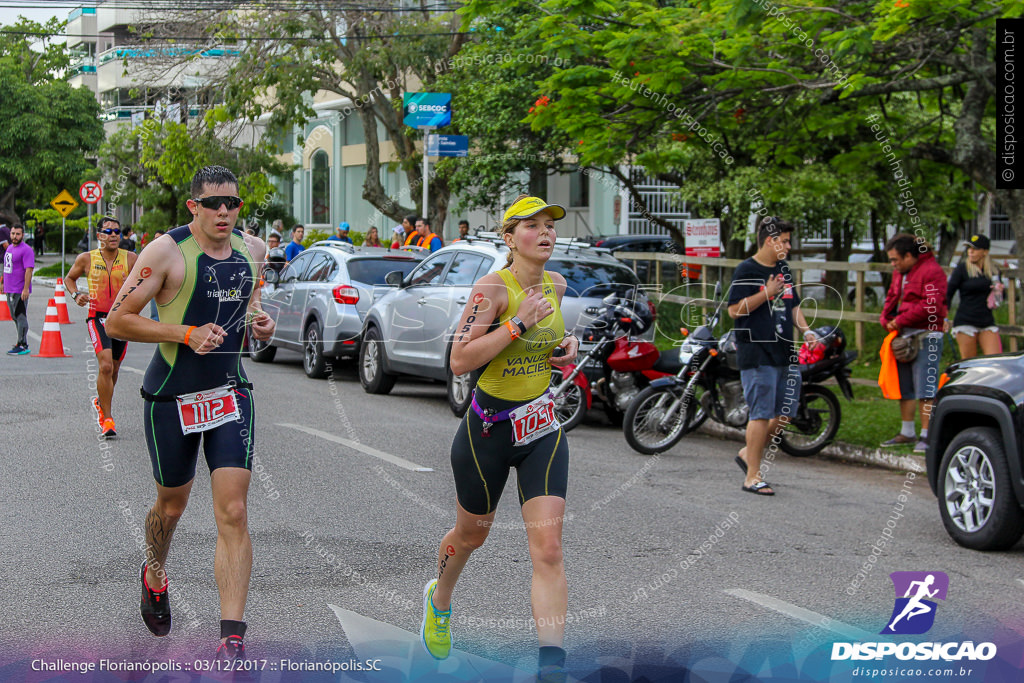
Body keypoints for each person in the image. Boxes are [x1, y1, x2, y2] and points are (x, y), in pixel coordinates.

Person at [105, 165, 275, 664]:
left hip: (229, 393)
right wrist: (185, 334)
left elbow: (251, 305)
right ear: (193, 207)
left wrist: (260, 322)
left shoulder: (254, 250)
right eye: (215, 203)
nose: (225, 211)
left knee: (234, 509)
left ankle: (232, 638)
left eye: (234, 203)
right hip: (171, 395)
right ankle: (155, 571)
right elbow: (118, 319)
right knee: (172, 505)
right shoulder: (165, 253)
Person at [420, 195, 579, 683]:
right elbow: (460, 360)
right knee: (472, 535)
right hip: (487, 431)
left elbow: (547, 340)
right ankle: (439, 599)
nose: (546, 232)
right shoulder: (492, 288)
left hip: (541, 428)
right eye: (532, 226)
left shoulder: (556, 283)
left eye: (550, 224)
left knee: (548, 548)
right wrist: (517, 323)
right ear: (510, 239)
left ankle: (551, 664)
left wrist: (564, 344)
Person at [726, 217, 817, 496]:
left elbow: (794, 306)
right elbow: (734, 311)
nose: (789, 246)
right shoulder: (747, 269)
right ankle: (752, 476)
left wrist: (807, 330)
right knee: (761, 414)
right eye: (785, 241)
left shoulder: (783, 269)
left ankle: (746, 452)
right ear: (770, 240)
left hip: (784, 351)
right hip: (757, 351)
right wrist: (766, 293)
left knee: (785, 412)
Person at [64, 217, 138, 437]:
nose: (114, 235)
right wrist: (76, 294)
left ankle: (102, 402)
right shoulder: (86, 258)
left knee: (114, 369)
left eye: (117, 231)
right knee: (105, 366)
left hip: (122, 319)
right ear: (99, 236)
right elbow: (70, 278)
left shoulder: (131, 258)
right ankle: (107, 418)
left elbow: (146, 282)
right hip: (97, 317)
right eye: (108, 231)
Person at [879, 233, 947, 453]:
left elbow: (932, 306)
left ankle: (928, 435)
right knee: (905, 386)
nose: (893, 264)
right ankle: (907, 431)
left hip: (927, 335)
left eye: (895, 259)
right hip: (905, 335)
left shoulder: (932, 272)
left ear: (909, 255)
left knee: (926, 387)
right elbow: (891, 296)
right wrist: (885, 318)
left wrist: (899, 320)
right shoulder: (901, 273)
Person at [945, 234, 1003, 359]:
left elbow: (998, 302)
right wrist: (944, 314)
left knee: (996, 361)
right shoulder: (962, 269)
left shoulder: (994, 271)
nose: (970, 252)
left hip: (986, 320)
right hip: (965, 320)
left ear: (985, 252)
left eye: (975, 249)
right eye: (969, 248)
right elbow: (948, 292)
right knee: (970, 362)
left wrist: (999, 292)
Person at [1, 224, 34, 355]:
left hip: (19, 289)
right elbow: (7, 267)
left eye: (18, 234)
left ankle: (22, 344)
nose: (15, 236)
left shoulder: (26, 250)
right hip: (10, 288)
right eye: (13, 233)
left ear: (23, 235)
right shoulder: (9, 248)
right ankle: (21, 341)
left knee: (20, 316)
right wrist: (3, 283)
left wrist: (25, 289)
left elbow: (29, 270)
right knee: (14, 316)